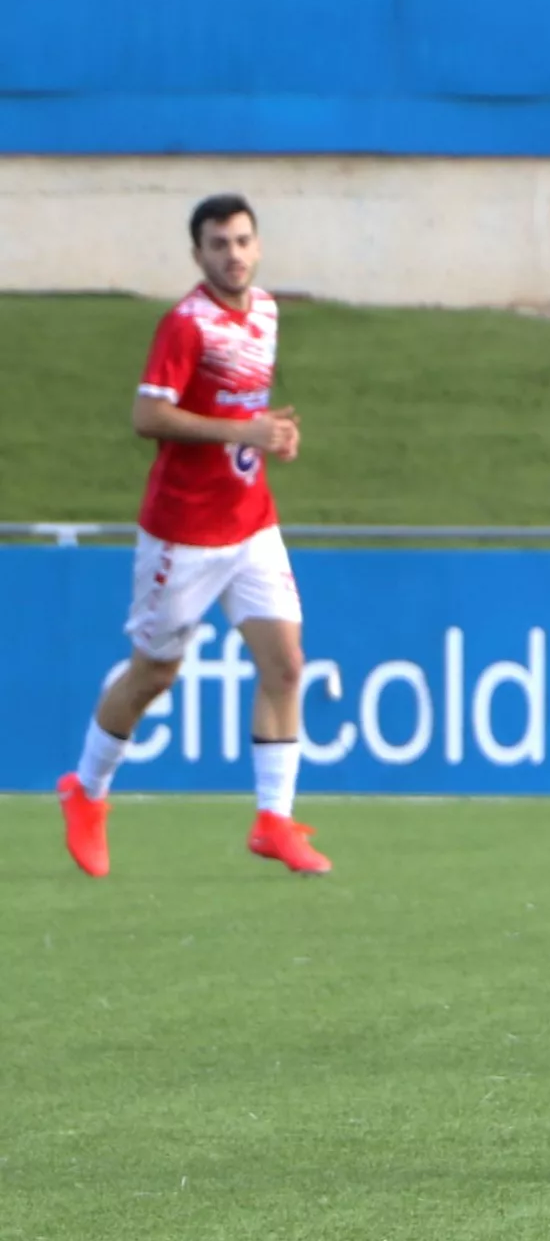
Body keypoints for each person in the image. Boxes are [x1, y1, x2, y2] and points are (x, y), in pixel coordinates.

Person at [57, 194, 323, 878]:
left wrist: (270, 438)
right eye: (218, 244)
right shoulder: (185, 325)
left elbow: (242, 407)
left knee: (287, 664)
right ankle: (86, 791)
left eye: (241, 241)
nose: (232, 254)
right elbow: (149, 415)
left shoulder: (264, 311)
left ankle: (273, 819)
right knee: (155, 673)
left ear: (257, 246)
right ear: (198, 255)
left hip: (252, 522)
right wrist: (243, 432)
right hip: (184, 532)